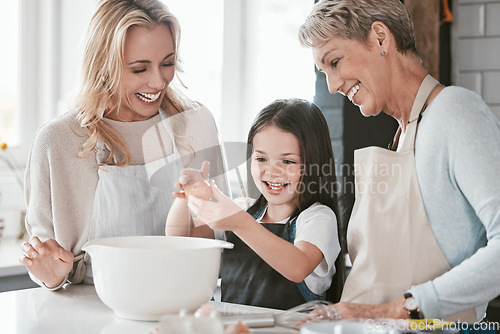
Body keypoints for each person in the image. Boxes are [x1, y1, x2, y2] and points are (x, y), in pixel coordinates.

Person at [298, 0, 500, 322]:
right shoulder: (402, 136)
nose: (333, 86)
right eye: (325, 74)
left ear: (380, 38)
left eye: (335, 62)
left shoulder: (454, 111)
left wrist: (402, 308)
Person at [19, 0, 228, 290]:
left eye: (167, 63)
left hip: (183, 302)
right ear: (103, 65)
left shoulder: (195, 124)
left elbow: (220, 241)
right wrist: (52, 273)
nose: (158, 82)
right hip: (91, 310)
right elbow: (45, 261)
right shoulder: (58, 140)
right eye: (140, 69)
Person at [167, 98, 345, 310]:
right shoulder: (242, 210)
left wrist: (238, 223)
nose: (272, 171)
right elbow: (181, 242)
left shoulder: (317, 217)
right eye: (261, 159)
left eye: (288, 161)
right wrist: (188, 196)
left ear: (315, 164)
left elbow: (298, 267)